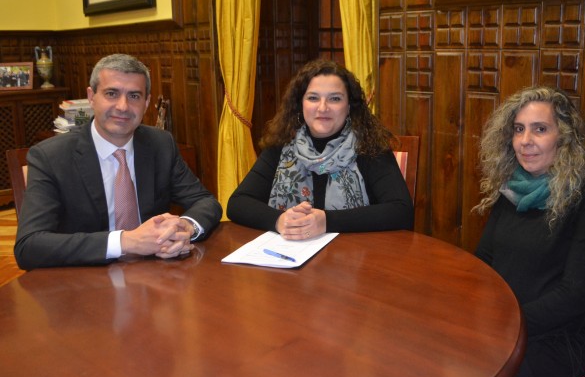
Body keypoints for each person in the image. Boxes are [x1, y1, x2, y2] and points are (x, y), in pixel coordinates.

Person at [472, 86, 585, 377]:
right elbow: (484, 261)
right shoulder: (512, 189)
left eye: (540, 129)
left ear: (566, 137)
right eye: (518, 129)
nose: (525, 141)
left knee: (483, 375)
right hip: (507, 324)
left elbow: (575, 296)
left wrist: (504, 325)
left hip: (565, 337)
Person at [14, 54, 222, 270]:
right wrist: (124, 242)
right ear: (91, 96)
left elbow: (205, 202)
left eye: (134, 96)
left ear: (147, 102)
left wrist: (185, 227)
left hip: (155, 275)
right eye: (112, 94)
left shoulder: (160, 144)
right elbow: (29, 246)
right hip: (84, 281)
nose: (123, 106)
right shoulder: (51, 157)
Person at [227, 58, 413, 238]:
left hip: (356, 261)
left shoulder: (369, 146)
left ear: (349, 106)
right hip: (291, 258)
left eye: (334, 99)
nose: (322, 108)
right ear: (301, 104)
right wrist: (280, 220)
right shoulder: (281, 146)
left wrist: (327, 221)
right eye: (313, 98)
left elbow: (401, 211)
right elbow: (237, 203)